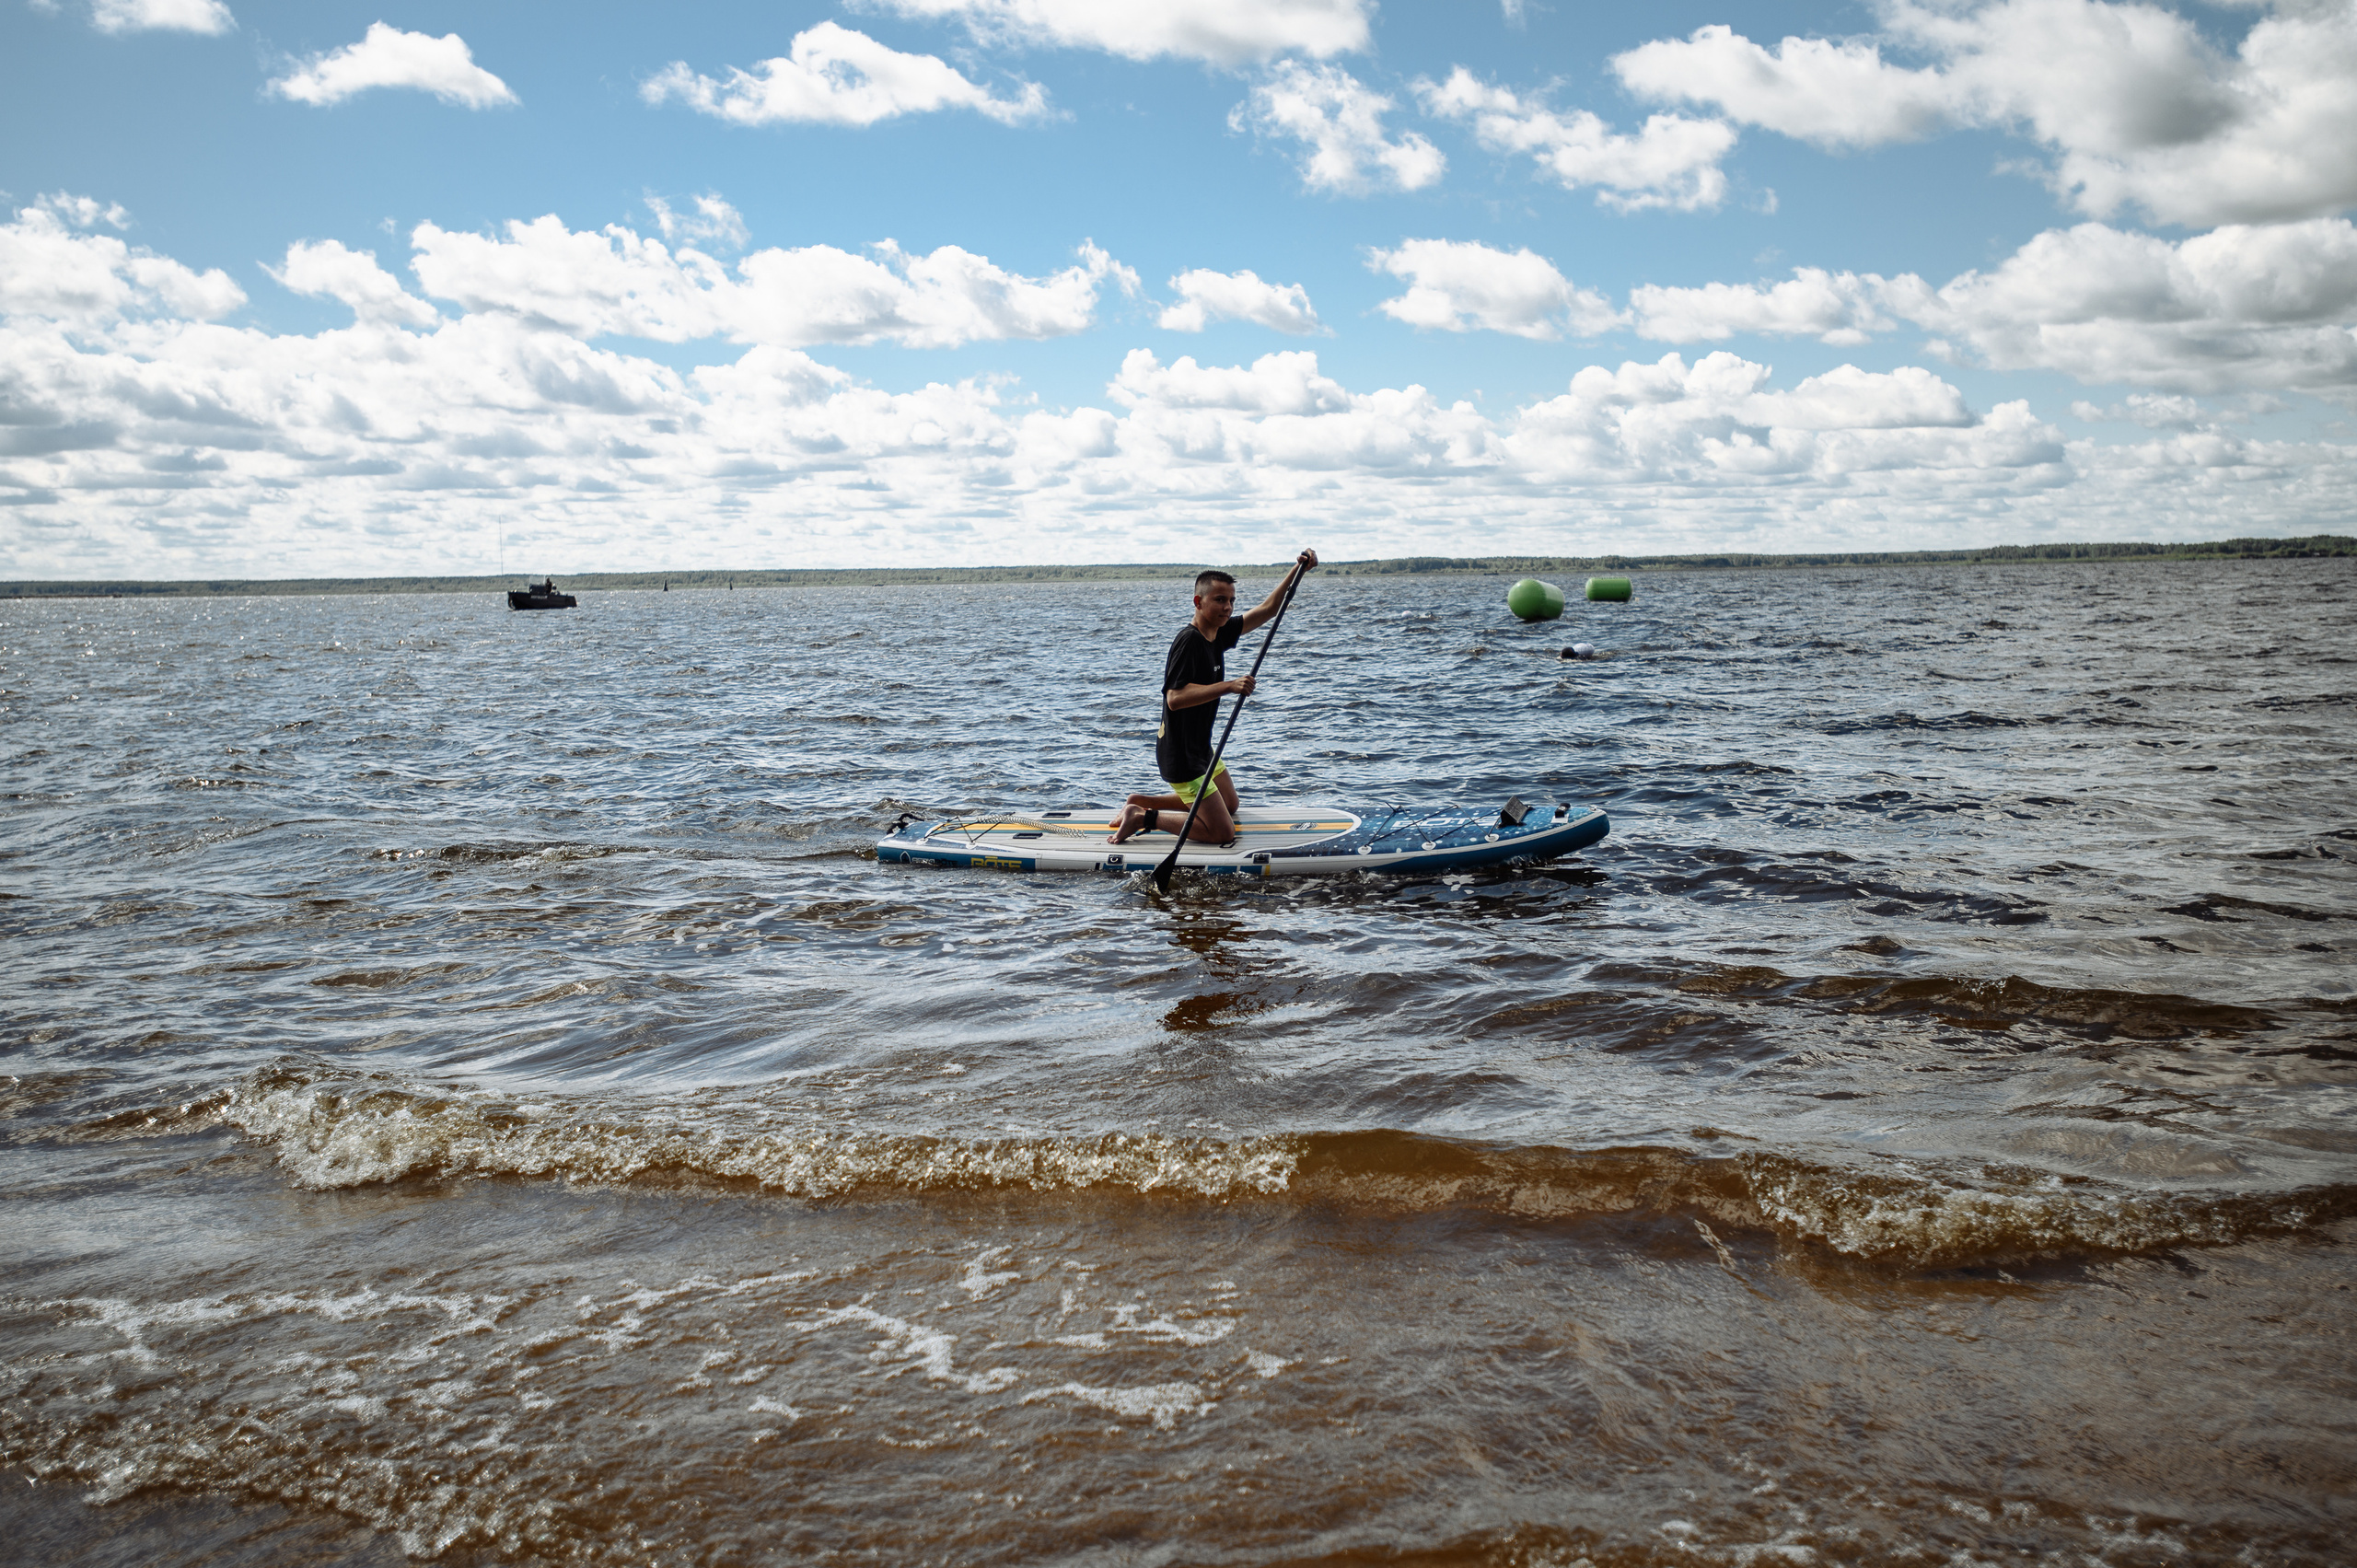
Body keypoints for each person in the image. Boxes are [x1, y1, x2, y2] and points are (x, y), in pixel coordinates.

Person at [1109, 550, 1318, 845]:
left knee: (1230, 804)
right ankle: (1142, 817)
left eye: (1231, 600)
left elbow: (1269, 609)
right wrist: (1229, 685)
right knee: (1221, 831)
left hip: (1200, 748)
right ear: (1199, 602)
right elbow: (1175, 698)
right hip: (1181, 756)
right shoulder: (1189, 641)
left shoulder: (1218, 633)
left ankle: (1142, 801)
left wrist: (1299, 571)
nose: (1228, 607)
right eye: (1220, 600)